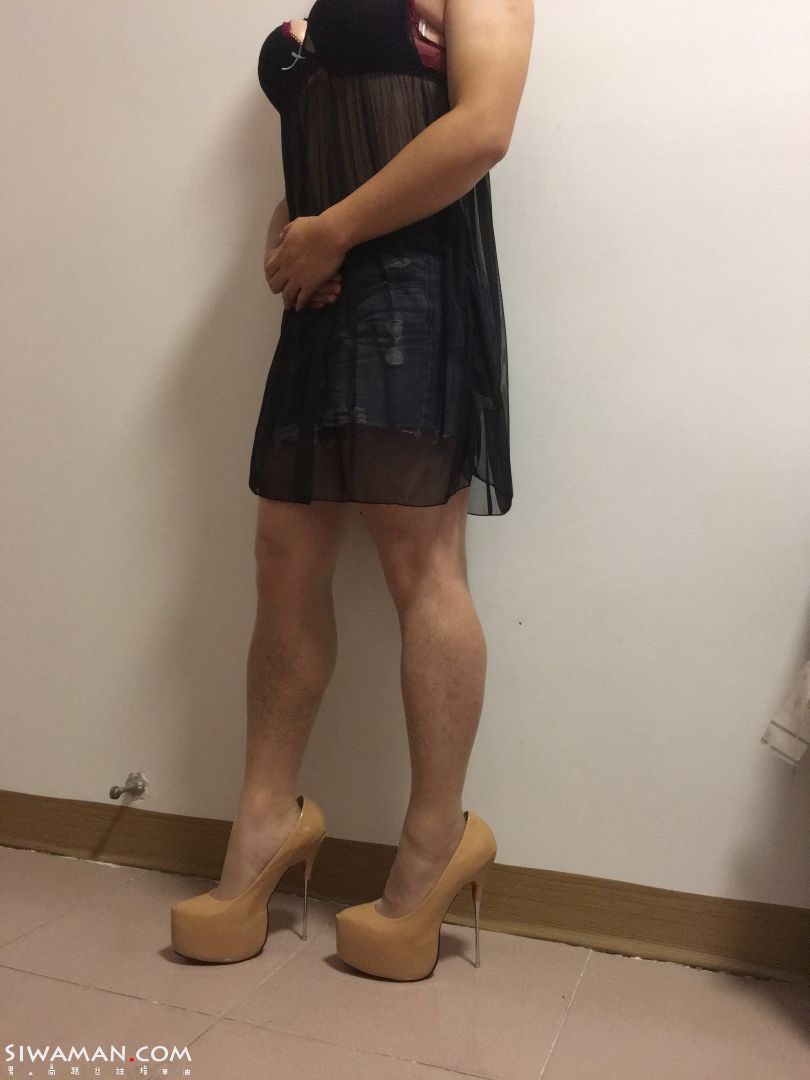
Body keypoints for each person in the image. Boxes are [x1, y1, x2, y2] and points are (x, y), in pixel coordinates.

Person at [170, 0, 534, 980]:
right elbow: (318, 154)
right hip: (321, 301)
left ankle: (433, 844)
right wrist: (289, 237)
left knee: (421, 563)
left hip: (413, 293)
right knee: (281, 557)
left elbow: (482, 129)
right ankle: (265, 823)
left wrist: (329, 229)